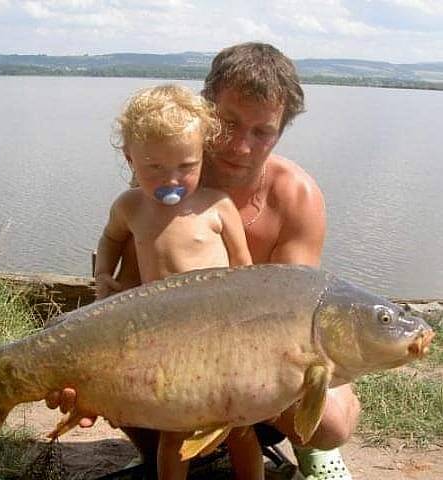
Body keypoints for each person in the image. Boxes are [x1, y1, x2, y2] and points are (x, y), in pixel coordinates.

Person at [47, 43, 359, 480]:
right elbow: (133, 293)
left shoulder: (297, 197)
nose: (240, 145)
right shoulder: (165, 176)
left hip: (265, 360)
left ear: (280, 132)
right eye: (229, 123)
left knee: (331, 421)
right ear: (207, 111)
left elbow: (298, 324)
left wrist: (229, 382)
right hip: (174, 353)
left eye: (262, 132)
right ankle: (160, 445)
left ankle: (309, 450)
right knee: (111, 372)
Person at [90, 83, 261, 480]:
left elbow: (246, 268)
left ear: (203, 155)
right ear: (130, 158)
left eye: (186, 166)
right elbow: (111, 239)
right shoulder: (129, 206)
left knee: (240, 428)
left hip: (221, 335)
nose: (173, 178)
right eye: (155, 168)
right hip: (164, 339)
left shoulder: (217, 206)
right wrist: (103, 274)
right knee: (175, 434)